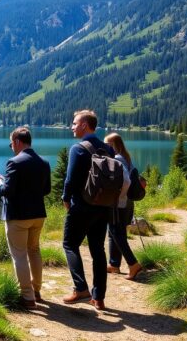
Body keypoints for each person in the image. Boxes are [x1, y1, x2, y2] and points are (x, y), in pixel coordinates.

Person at [0, 126, 51, 310]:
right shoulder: (44, 163)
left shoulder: (14, 162)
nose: (11, 147)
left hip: (18, 217)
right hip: (38, 215)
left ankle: (27, 296)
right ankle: (37, 290)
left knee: (19, 255)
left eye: (11, 144)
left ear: (17, 141)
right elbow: (46, 190)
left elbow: (7, 191)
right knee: (34, 250)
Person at [61, 110, 112, 310]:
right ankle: (98, 298)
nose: (71, 126)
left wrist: (66, 199)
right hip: (104, 206)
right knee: (98, 250)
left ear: (84, 125)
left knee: (69, 244)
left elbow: (70, 179)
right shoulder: (107, 148)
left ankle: (81, 288)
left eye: (74, 123)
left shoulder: (78, 149)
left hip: (82, 207)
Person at [104, 133, 143, 280]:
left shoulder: (117, 159)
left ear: (113, 145)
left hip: (119, 203)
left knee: (116, 232)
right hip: (127, 203)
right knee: (114, 232)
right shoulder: (126, 157)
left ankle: (133, 264)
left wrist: (119, 196)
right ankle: (114, 264)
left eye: (107, 144)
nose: (105, 147)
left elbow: (126, 182)